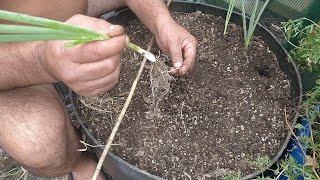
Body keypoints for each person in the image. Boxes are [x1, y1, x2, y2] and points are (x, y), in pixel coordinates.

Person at [0, 0, 197, 179]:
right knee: (39, 144)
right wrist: (41, 59)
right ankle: (80, 163)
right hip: (11, 56)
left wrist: (161, 21)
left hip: (74, 8)